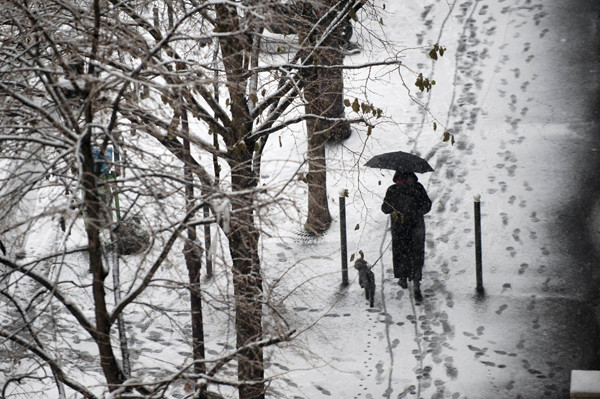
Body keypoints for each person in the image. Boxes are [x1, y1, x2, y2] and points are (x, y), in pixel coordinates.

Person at [381, 171, 432, 301]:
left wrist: (395, 208)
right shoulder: (418, 187)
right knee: (416, 252)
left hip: (399, 227)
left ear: (396, 177)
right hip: (416, 226)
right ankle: (416, 282)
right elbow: (427, 205)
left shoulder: (392, 189)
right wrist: (416, 212)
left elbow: (385, 209)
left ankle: (403, 278)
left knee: (401, 251)